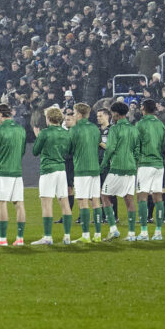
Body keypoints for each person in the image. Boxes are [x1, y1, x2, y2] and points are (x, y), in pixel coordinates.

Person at [31, 106, 72, 245]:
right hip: (61, 170)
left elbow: (35, 151)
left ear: (48, 119)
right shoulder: (67, 133)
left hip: (48, 170)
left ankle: (48, 237)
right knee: (64, 203)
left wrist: (38, 136)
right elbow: (69, 151)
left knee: (47, 204)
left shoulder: (45, 133)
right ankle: (67, 236)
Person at [100, 101, 139, 241]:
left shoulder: (114, 129)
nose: (111, 116)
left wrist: (103, 165)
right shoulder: (134, 129)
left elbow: (110, 149)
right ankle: (132, 234)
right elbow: (137, 151)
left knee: (104, 195)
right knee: (129, 199)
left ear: (116, 114)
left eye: (112, 113)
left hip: (117, 167)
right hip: (130, 168)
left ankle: (113, 229)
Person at [0, 104, 27, 246]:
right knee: (19, 203)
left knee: (2, 203)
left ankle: (3, 239)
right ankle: (20, 238)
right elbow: (23, 151)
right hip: (17, 170)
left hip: (3, 171)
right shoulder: (21, 129)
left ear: (0, 114)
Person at [68, 103, 102, 243]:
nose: (73, 115)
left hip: (82, 169)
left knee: (82, 201)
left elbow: (69, 149)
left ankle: (86, 235)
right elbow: (98, 144)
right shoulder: (95, 128)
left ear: (80, 114)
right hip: (95, 168)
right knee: (95, 201)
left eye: (75, 113)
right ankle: (98, 235)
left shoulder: (74, 129)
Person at [134, 99, 165, 241]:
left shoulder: (140, 124)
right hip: (159, 164)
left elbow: (136, 145)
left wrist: (136, 159)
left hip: (145, 163)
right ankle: (158, 232)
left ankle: (144, 232)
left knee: (142, 197)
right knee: (158, 197)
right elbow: (162, 145)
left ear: (143, 109)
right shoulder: (160, 124)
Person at [96, 107, 118, 227]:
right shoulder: (97, 130)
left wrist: (99, 142)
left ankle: (114, 216)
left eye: (100, 116)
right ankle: (104, 215)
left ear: (107, 116)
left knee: (110, 190)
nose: (98, 118)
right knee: (100, 190)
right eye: (97, 116)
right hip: (98, 163)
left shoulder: (112, 130)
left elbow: (111, 147)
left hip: (109, 163)